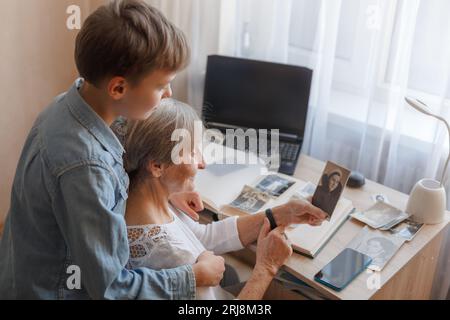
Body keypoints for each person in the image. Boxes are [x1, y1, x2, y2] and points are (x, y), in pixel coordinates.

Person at [0, 0, 223, 299]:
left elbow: (111, 168)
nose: (168, 94)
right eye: (161, 86)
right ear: (118, 88)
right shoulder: (85, 165)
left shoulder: (70, 102)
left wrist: (169, 189)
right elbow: (111, 289)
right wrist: (193, 276)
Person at [122, 99, 328, 299]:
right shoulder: (170, 254)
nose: (202, 163)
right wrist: (266, 268)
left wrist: (284, 213)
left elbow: (203, 237)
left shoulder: (144, 201)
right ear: (157, 166)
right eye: (192, 153)